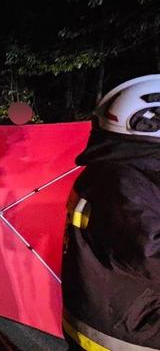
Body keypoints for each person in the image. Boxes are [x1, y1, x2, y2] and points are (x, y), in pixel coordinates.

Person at [62, 75, 160, 350]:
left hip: (100, 317)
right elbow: (150, 254)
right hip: (131, 332)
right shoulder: (127, 184)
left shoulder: (108, 170)